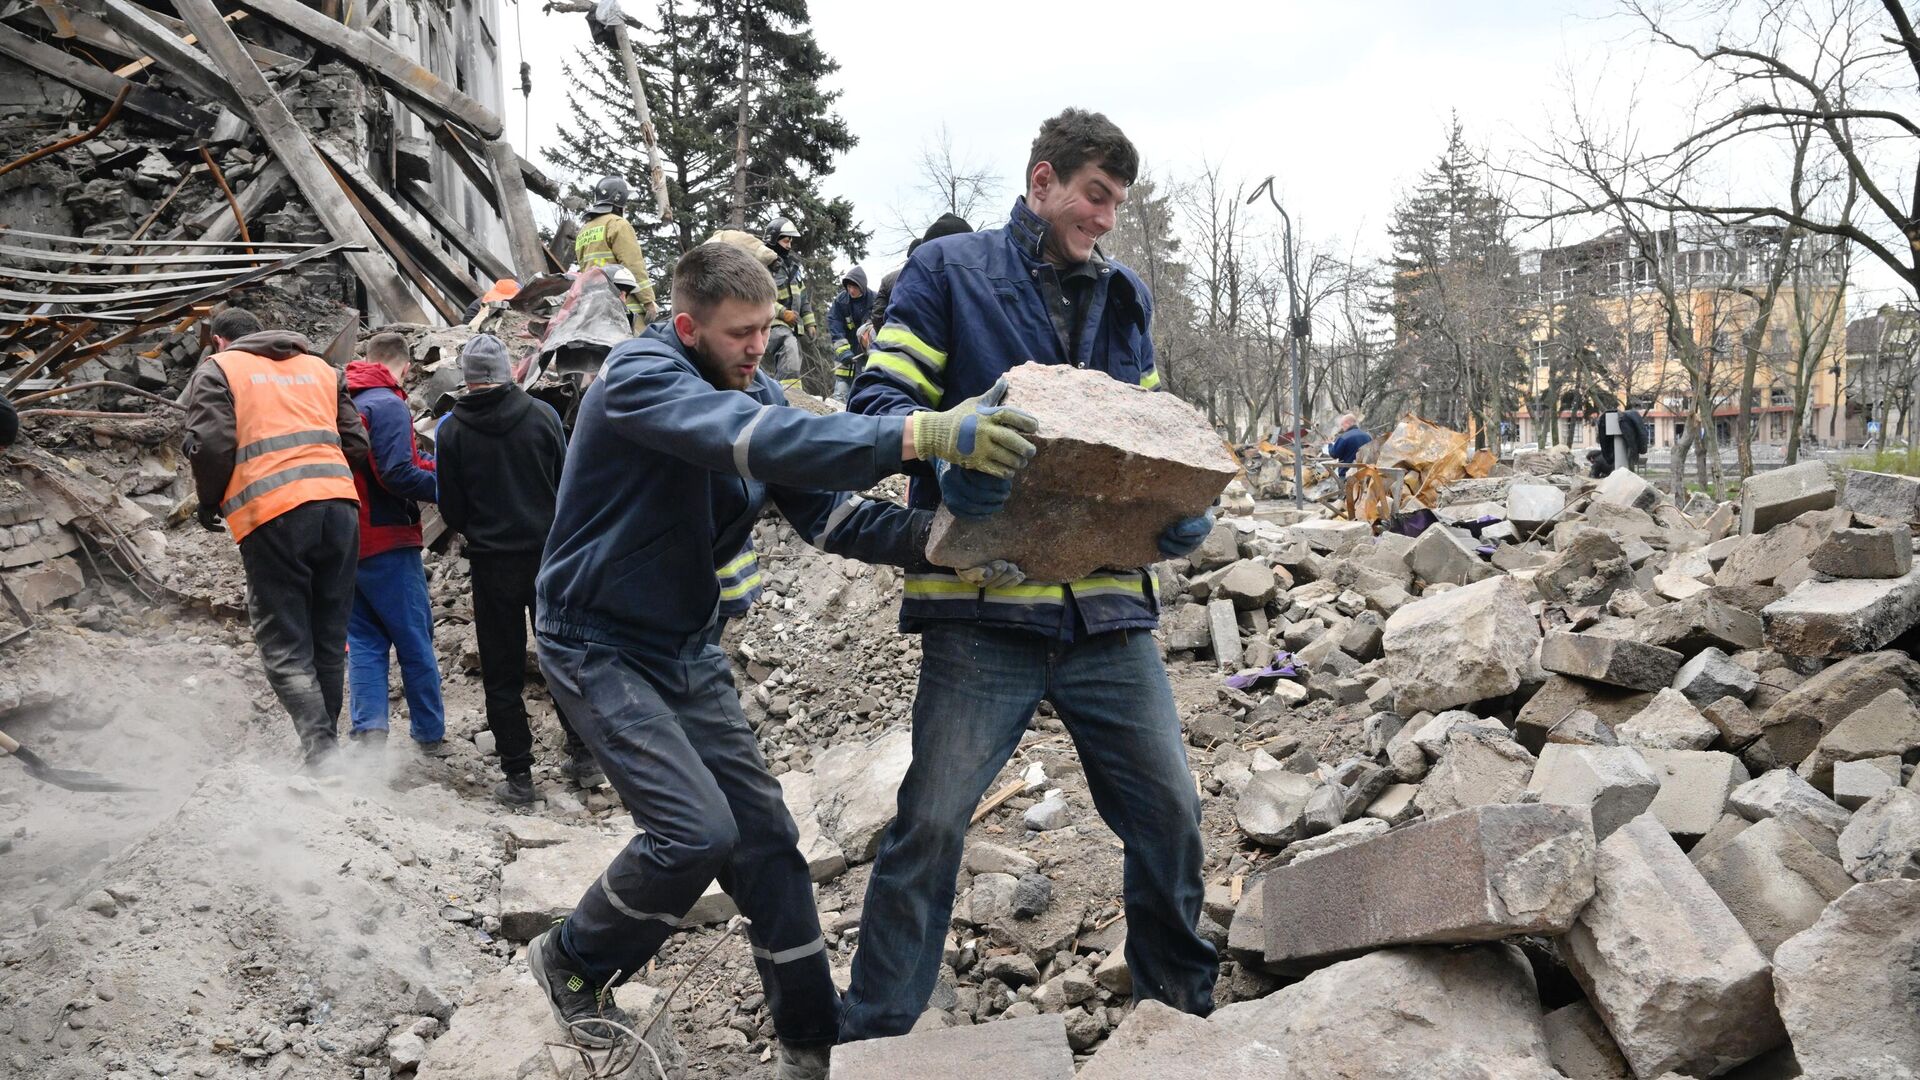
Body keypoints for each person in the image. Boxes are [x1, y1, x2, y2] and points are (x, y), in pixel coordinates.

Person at [524, 241, 1035, 1078]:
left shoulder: (751, 388)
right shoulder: (637, 380)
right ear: (687, 327)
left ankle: (811, 1041)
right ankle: (574, 958)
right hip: (594, 641)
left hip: (685, 646)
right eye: (738, 334)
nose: (758, 348)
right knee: (695, 834)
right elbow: (755, 439)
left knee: (767, 843)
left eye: (766, 329)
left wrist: (941, 546)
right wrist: (918, 433)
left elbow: (828, 517)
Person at [842, 108, 1217, 1041]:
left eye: (1118, 205)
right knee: (930, 826)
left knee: (1169, 814)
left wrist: (1173, 508)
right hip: (982, 608)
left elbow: (1145, 429)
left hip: (1106, 609)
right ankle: (876, 1033)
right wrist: (951, 444)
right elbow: (878, 401)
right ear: (1043, 181)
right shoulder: (948, 273)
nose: (1105, 219)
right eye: (1094, 197)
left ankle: (1177, 1015)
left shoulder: (1124, 295)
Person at [182, 307, 368, 768]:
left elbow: (210, 446)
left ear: (221, 341)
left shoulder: (219, 370)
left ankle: (322, 754)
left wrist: (209, 501)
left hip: (273, 514)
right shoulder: (321, 369)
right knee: (328, 636)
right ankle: (328, 754)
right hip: (340, 509)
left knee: (284, 642)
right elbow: (358, 445)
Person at [434, 334, 603, 805]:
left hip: (492, 565)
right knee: (563, 659)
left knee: (502, 670)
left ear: (467, 378)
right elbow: (567, 483)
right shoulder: (542, 416)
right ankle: (585, 758)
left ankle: (519, 778)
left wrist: (485, 532)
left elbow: (452, 510)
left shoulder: (451, 431)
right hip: (549, 559)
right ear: (509, 370)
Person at [343, 333, 446, 752]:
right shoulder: (386, 403)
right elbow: (396, 473)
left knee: (364, 640)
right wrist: (449, 489)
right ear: (404, 366)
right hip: (387, 538)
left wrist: (437, 467)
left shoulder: (348, 399)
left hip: (347, 540)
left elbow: (401, 460)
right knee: (413, 638)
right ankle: (429, 735)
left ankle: (369, 732)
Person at [576, 176, 660, 323]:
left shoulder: (584, 230)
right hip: (623, 307)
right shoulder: (618, 224)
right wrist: (648, 301)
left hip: (592, 307)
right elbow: (633, 265)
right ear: (619, 200)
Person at [765, 217, 812, 388]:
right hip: (772, 321)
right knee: (789, 348)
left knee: (794, 356)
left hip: (792, 326)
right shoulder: (765, 264)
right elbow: (761, 297)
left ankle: (782, 394)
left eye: (790, 241)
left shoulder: (793, 267)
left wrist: (810, 324)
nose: (789, 246)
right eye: (785, 241)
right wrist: (783, 313)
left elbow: (803, 297)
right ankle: (789, 396)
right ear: (773, 239)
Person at [826, 267, 872, 401]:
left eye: (855, 287)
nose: (851, 290)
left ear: (862, 286)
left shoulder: (874, 300)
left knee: (861, 397)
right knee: (840, 395)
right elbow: (835, 324)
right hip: (844, 357)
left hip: (865, 357)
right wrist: (843, 351)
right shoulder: (841, 301)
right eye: (849, 286)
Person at [1324, 412, 1371, 477]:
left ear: (1347, 423)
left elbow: (1334, 454)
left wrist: (1330, 445)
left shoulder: (1344, 437)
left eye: (1342, 424)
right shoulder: (1368, 436)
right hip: (1366, 473)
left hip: (1347, 475)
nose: (1342, 427)